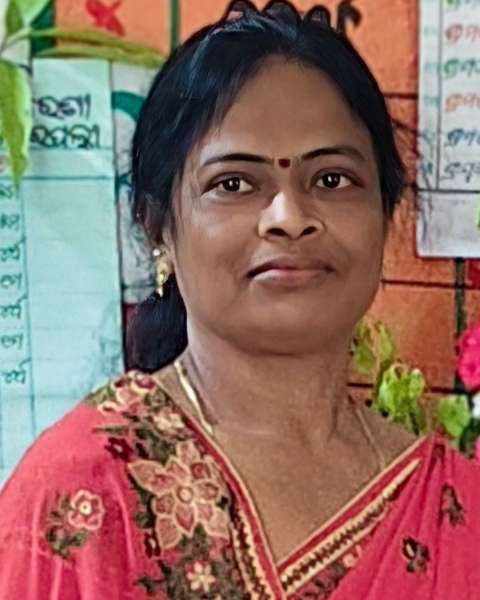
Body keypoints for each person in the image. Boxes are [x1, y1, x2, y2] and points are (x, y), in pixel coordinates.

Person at [1, 2, 479, 598]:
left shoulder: (457, 511)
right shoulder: (80, 494)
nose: (289, 216)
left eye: (332, 179)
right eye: (234, 183)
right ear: (157, 226)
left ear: (383, 215)